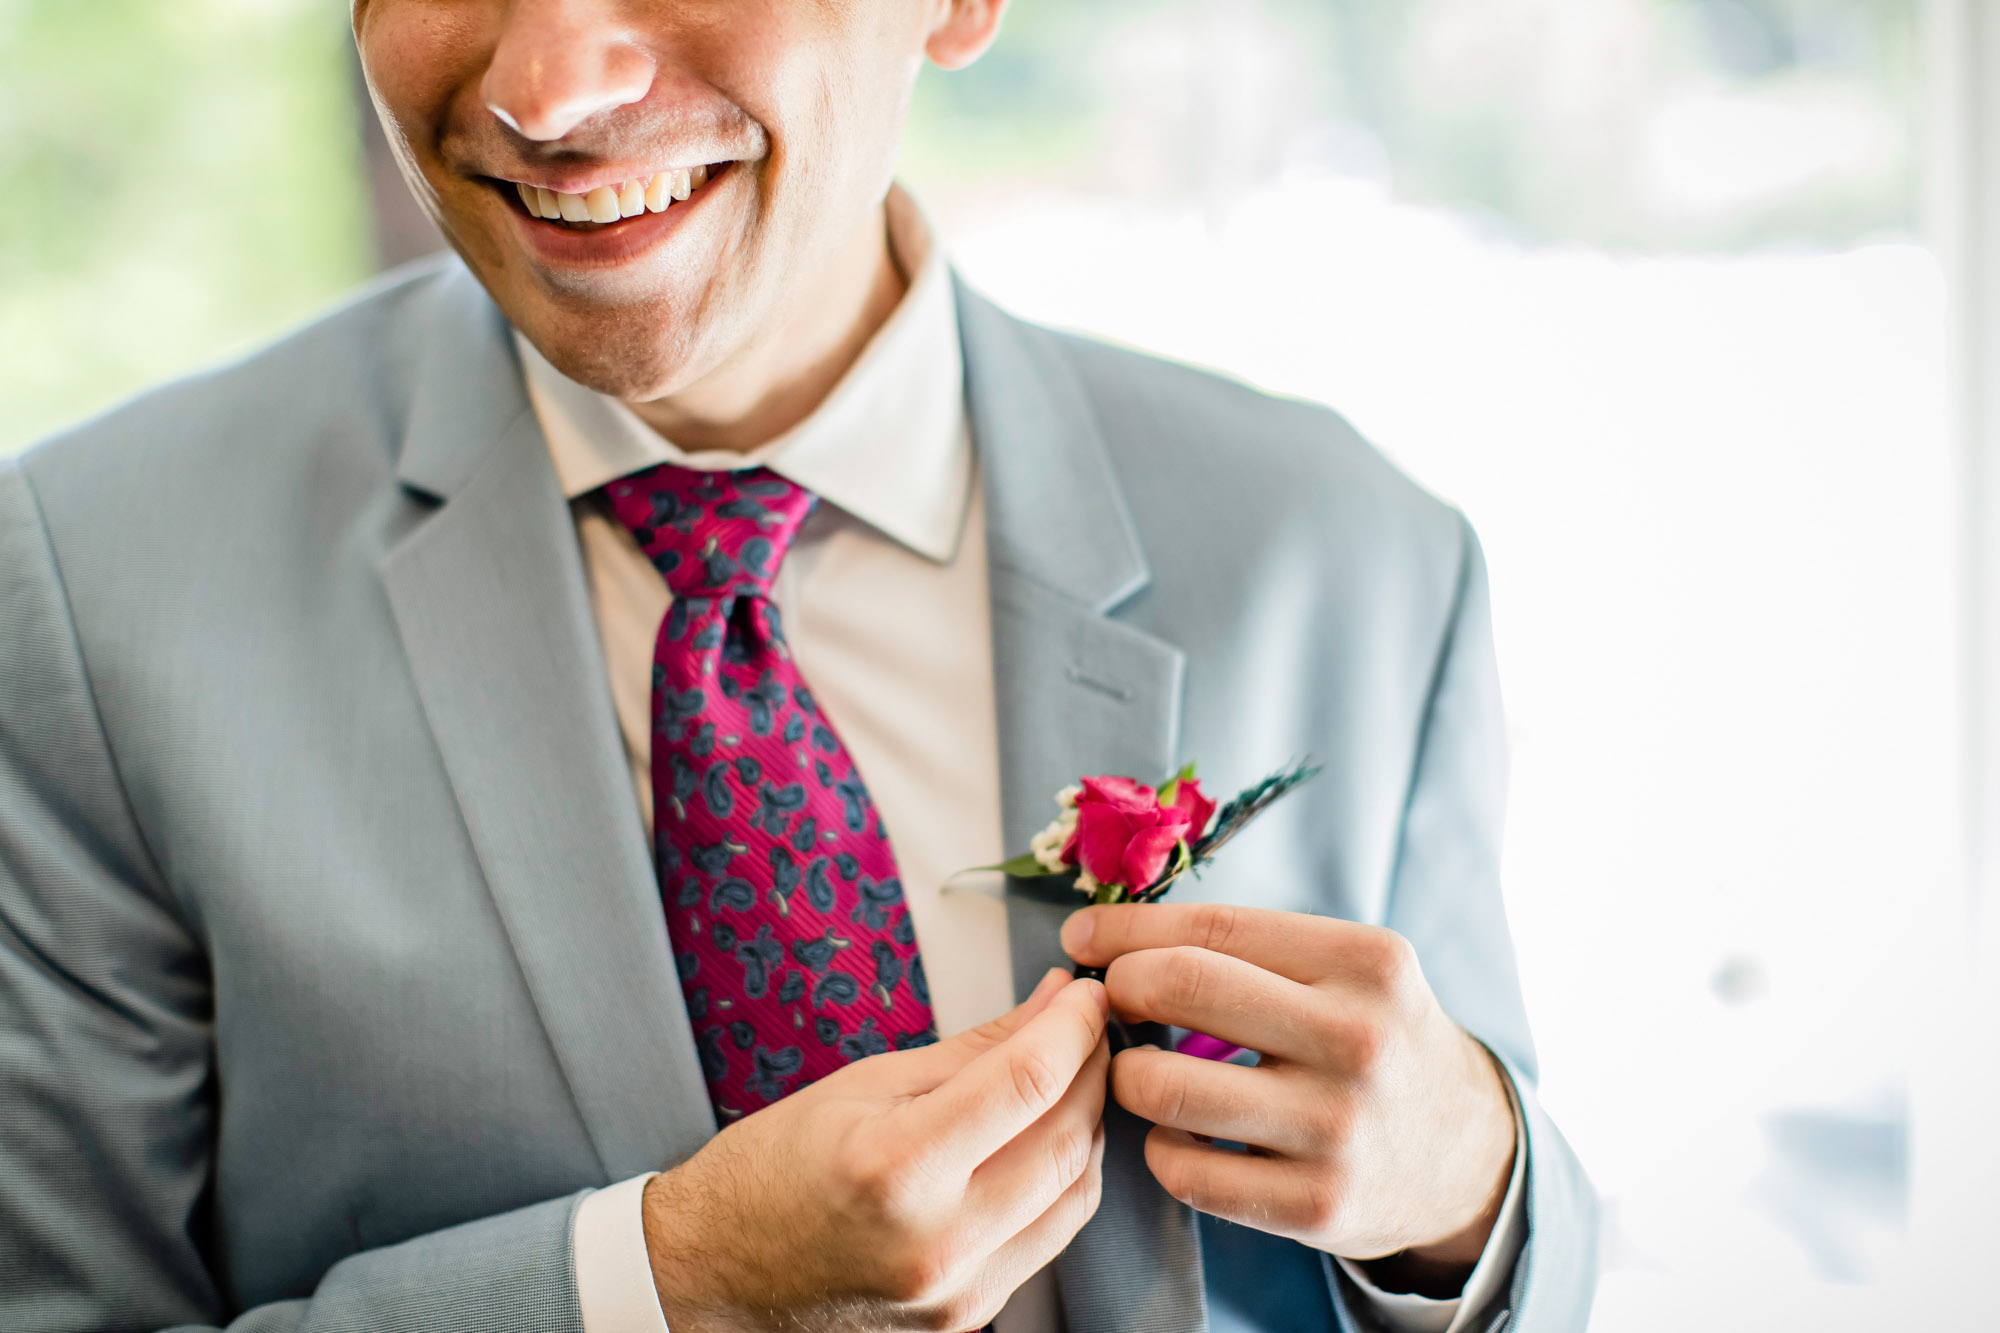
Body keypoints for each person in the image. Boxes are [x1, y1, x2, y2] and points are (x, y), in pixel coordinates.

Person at [0, 2, 1596, 1330]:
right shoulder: (89, 590)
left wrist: (1466, 1189)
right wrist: (667, 1283)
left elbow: (1528, 1248)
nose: (549, 90)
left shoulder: (1359, 554)